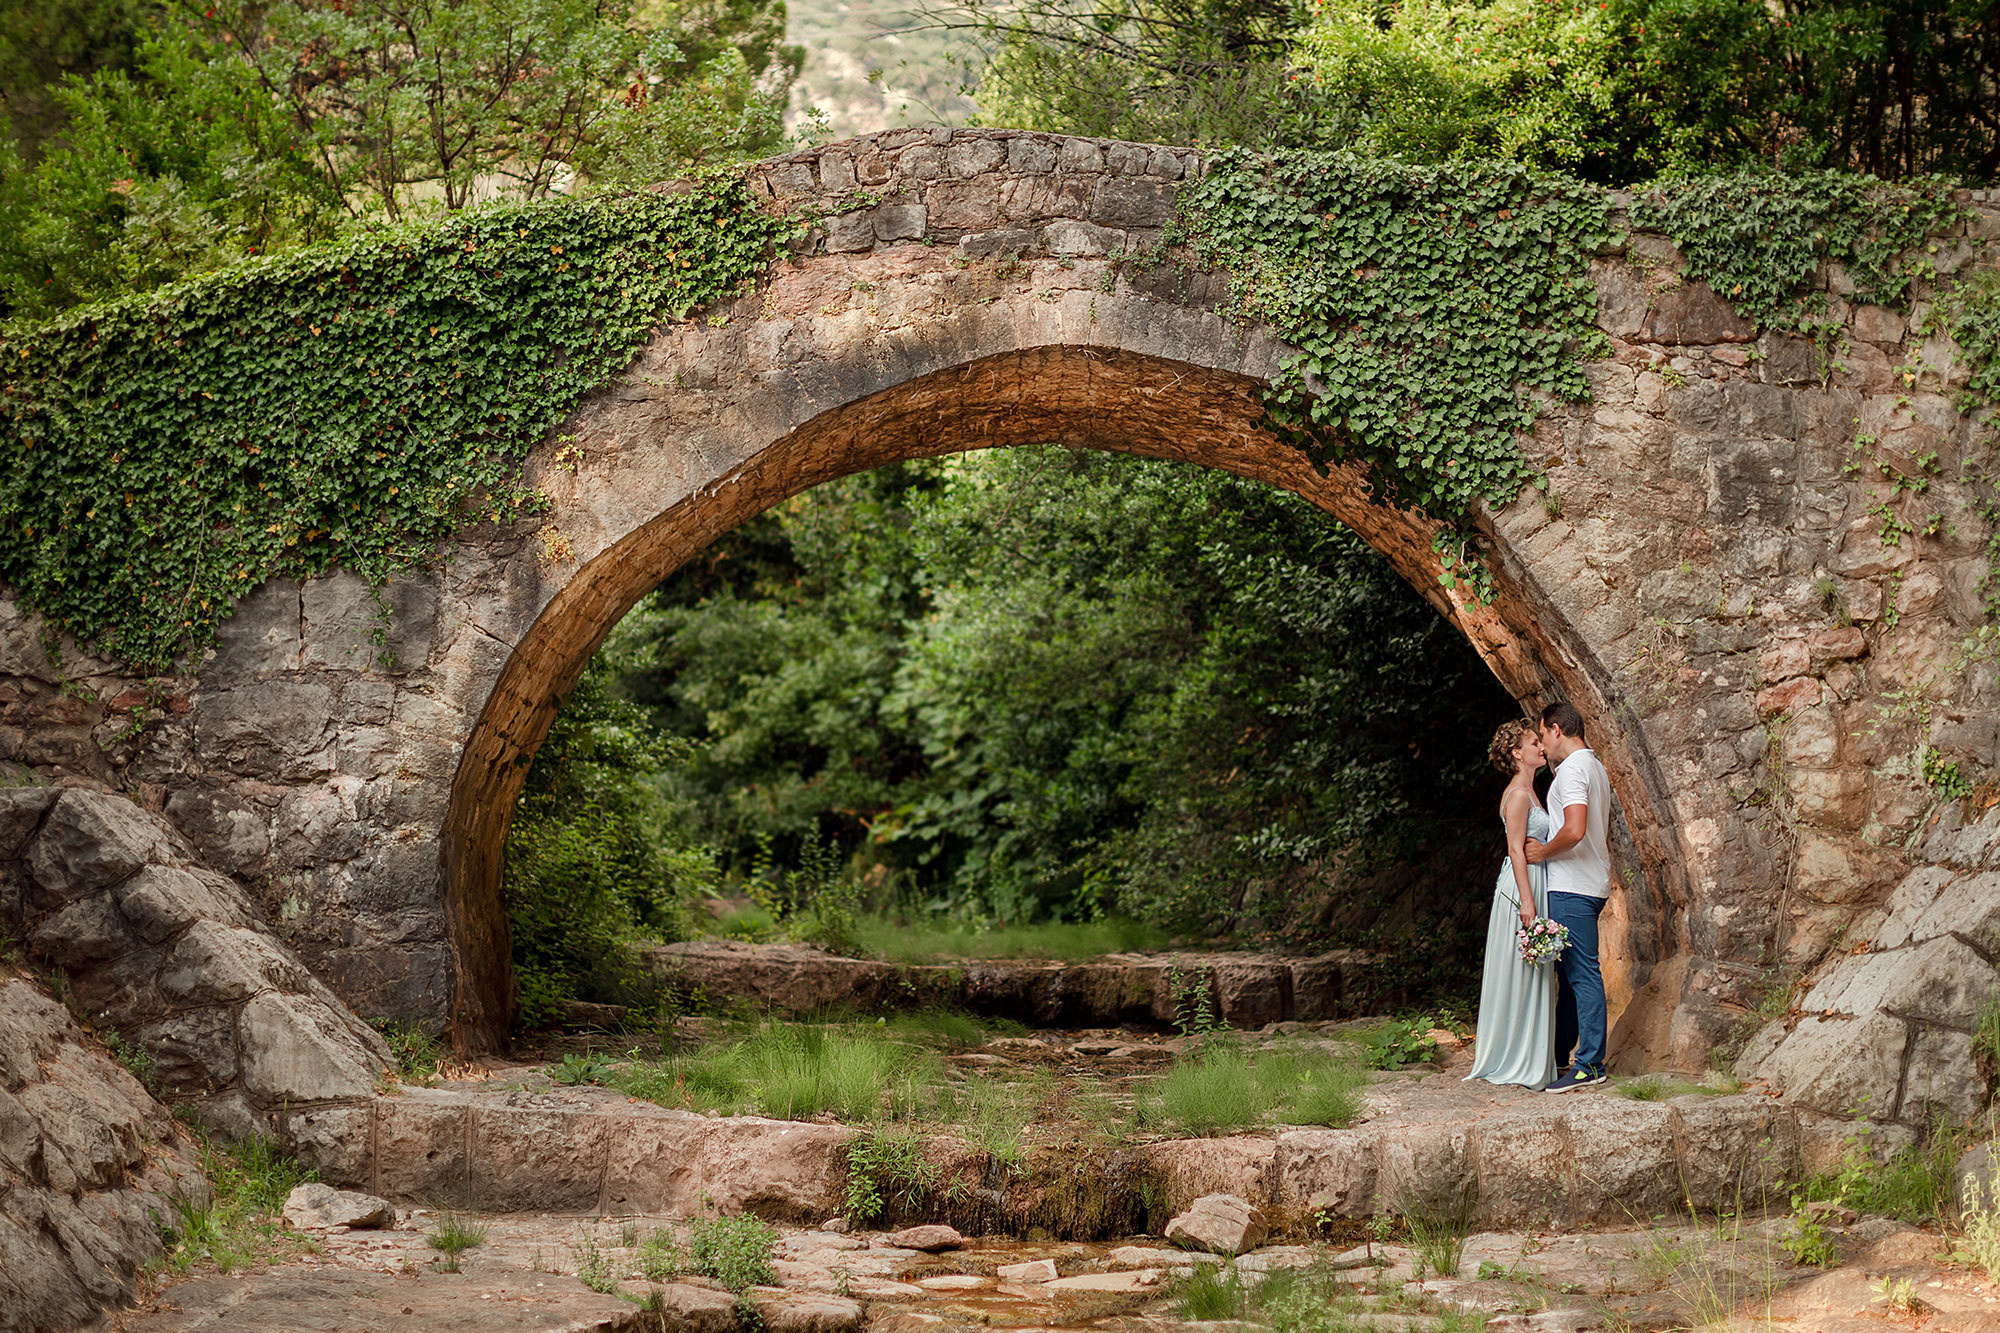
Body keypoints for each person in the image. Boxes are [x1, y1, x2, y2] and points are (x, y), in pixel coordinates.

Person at [1464, 719, 1557, 1091]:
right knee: (1522, 971)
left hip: (1534, 879)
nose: (1541, 746)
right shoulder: (1518, 795)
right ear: (1518, 753)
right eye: (1534, 742)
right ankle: (1512, 1058)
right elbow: (1515, 848)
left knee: (1534, 971)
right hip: (1522, 887)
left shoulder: (1532, 791)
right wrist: (1528, 901)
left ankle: (1531, 1055)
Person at [1525, 700, 1613, 1091]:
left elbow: (1575, 829)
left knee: (1582, 974)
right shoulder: (1594, 767)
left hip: (1573, 886)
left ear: (1557, 730)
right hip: (1585, 882)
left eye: (1542, 735)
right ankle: (1561, 1058)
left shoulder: (1574, 770)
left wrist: (1542, 851)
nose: (1542, 745)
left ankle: (1591, 1064)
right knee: (1569, 974)